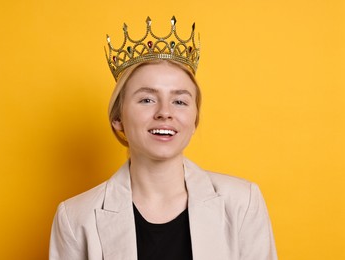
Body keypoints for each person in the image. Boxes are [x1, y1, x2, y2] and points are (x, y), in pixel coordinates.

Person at [49, 16, 277, 260]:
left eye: (179, 101)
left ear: (194, 121)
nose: (165, 112)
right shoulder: (75, 218)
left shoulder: (243, 203)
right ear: (118, 118)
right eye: (147, 99)